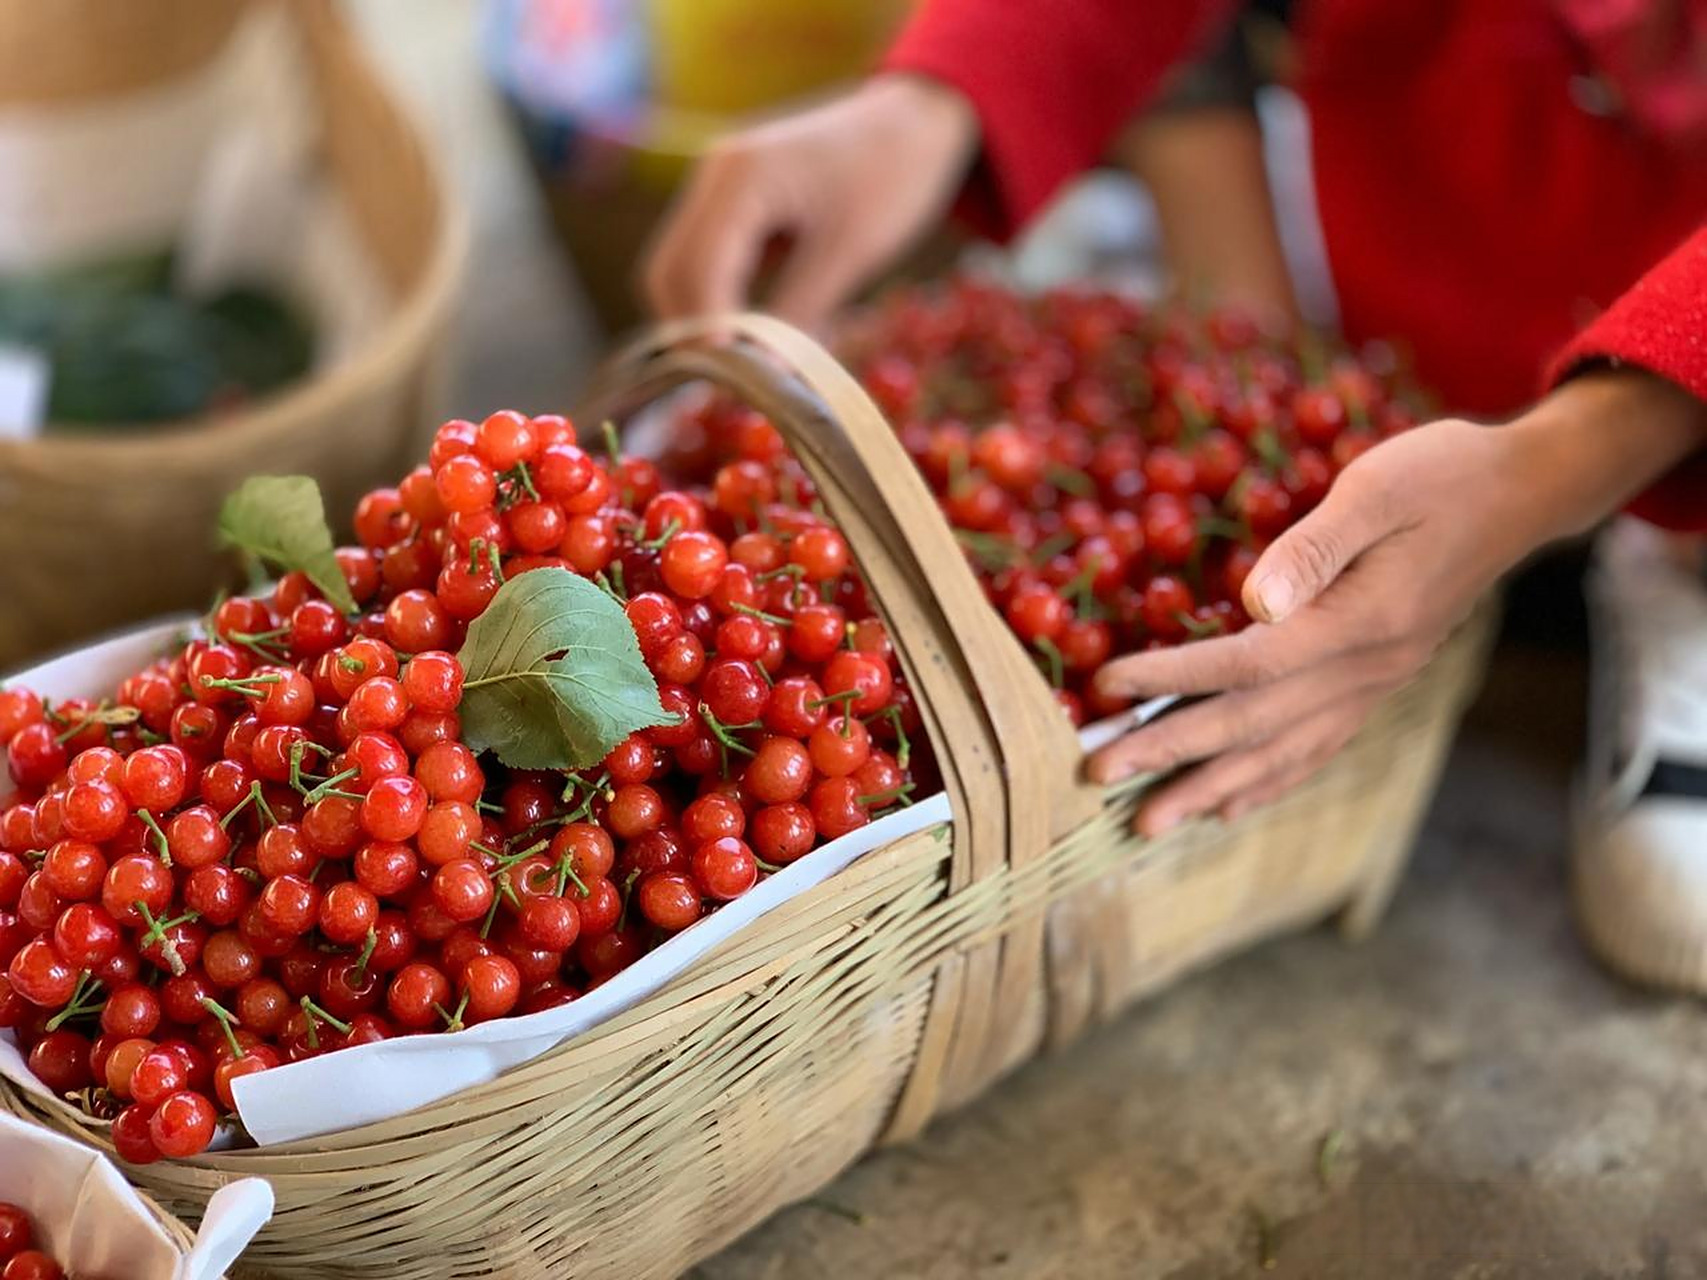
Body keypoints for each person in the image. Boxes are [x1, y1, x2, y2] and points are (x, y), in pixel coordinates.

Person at [642, 0, 1707, 990]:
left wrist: (1567, 456)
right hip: (1409, 196)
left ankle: (1672, 524)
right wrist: (943, 91)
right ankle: (1271, 327)